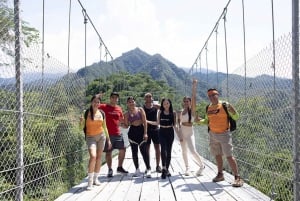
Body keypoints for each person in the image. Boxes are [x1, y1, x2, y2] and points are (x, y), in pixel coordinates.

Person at [197, 88, 243, 187]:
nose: (212, 97)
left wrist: (234, 111)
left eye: (214, 95)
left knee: (229, 156)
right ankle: (220, 174)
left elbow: (236, 117)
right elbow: (207, 121)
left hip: (224, 134)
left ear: (218, 95)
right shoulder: (208, 107)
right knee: (217, 155)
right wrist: (199, 121)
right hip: (213, 134)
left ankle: (237, 177)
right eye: (210, 96)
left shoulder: (224, 105)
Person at [79, 95, 111, 190]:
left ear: (99, 103)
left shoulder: (102, 113)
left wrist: (108, 140)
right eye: (94, 101)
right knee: (93, 156)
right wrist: (80, 122)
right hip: (90, 137)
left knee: (99, 157)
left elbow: (105, 127)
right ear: (91, 102)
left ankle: (96, 179)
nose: (96, 103)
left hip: (101, 136)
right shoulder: (86, 113)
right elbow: (80, 128)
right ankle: (90, 181)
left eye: (98, 102)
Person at [177, 79, 205, 176]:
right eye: (184, 101)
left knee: (193, 151)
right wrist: (179, 135)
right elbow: (178, 124)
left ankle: (202, 166)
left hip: (190, 133)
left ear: (190, 102)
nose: (186, 102)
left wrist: (194, 86)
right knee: (184, 151)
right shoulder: (181, 112)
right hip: (182, 132)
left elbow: (193, 96)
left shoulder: (192, 111)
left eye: (187, 101)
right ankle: (187, 168)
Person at [99, 92, 128, 177]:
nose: (114, 99)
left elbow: (121, 120)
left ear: (117, 99)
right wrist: (97, 96)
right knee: (108, 152)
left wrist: (124, 124)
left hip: (118, 133)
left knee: (123, 149)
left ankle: (119, 167)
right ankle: (110, 169)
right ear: (110, 98)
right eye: (113, 97)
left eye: (116, 98)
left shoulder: (119, 108)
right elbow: (94, 104)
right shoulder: (104, 107)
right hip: (108, 134)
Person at [147, 98, 176, 179]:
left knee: (169, 151)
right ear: (162, 105)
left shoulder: (173, 113)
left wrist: (180, 136)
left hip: (170, 132)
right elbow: (157, 123)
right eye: (164, 104)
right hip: (162, 131)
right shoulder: (160, 112)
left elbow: (175, 125)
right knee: (163, 150)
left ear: (170, 104)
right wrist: (147, 121)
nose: (166, 105)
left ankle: (167, 168)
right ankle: (163, 169)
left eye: (167, 103)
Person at [124, 96, 151, 178]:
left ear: (135, 102)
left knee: (144, 151)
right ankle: (137, 169)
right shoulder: (126, 113)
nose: (131, 103)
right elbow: (127, 125)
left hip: (141, 131)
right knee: (134, 152)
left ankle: (148, 168)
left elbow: (145, 122)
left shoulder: (140, 110)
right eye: (129, 102)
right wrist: (120, 123)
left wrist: (145, 133)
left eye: (132, 101)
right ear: (127, 104)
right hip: (132, 133)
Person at [143, 93, 162, 173]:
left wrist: (157, 105)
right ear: (144, 98)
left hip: (155, 129)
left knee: (157, 148)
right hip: (146, 130)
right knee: (147, 148)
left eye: (150, 96)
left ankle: (158, 166)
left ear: (152, 98)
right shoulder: (142, 108)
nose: (148, 98)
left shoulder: (155, 107)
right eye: (146, 96)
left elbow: (165, 108)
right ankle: (148, 166)